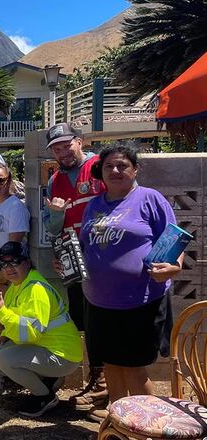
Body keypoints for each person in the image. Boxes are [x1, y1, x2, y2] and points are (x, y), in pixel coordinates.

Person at [76, 143, 181, 421]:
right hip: (98, 300)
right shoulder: (94, 205)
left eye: (122, 165)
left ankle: (147, 426)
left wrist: (174, 266)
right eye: (109, 165)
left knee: (135, 369)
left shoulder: (150, 199)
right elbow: (86, 246)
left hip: (141, 299)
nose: (115, 170)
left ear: (135, 170)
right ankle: (123, 425)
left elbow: (174, 239)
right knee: (111, 365)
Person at [41, 122, 107, 412]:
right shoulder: (55, 180)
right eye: (56, 147)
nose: (62, 151)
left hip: (104, 256)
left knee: (103, 317)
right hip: (73, 259)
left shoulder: (100, 167)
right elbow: (54, 226)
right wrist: (56, 226)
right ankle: (97, 381)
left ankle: (104, 386)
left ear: (80, 141)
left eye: (66, 144)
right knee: (85, 320)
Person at [0, 242, 83, 418]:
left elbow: (29, 333)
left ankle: (45, 397)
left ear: (27, 263)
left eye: (14, 262)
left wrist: (2, 313)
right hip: (45, 346)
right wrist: (4, 336)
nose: (9, 268)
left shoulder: (35, 289)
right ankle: (49, 379)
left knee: (4, 359)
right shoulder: (16, 286)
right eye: (4, 264)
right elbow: (22, 327)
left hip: (62, 355)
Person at [0, 163, 30, 300]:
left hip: (7, 272)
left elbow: (13, 246)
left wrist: (3, 275)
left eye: (0, 180)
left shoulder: (15, 207)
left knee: (7, 318)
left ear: (9, 180)